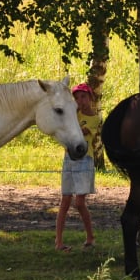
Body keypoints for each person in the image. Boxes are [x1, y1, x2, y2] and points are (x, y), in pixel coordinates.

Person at [55, 82, 101, 251]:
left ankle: (90, 237)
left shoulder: (95, 119)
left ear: (90, 98)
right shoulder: (73, 115)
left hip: (84, 161)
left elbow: (82, 132)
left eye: (83, 97)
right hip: (69, 159)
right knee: (65, 200)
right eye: (76, 98)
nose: (80, 101)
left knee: (80, 203)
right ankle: (59, 242)